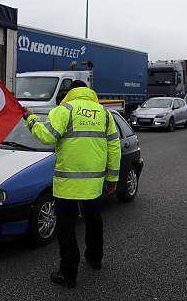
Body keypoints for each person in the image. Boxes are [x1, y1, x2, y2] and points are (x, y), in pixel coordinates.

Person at [23, 80, 121, 288]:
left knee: (66, 227)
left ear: (71, 92)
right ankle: (95, 258)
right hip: (94, 183)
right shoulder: (103, 113)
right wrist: (112, 178)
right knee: (94, 220)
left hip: (67, 183)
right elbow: (114, 146)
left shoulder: (65, 109)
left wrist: (30, 119)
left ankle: (68, 273)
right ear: (88, 92)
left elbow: (47, 137)